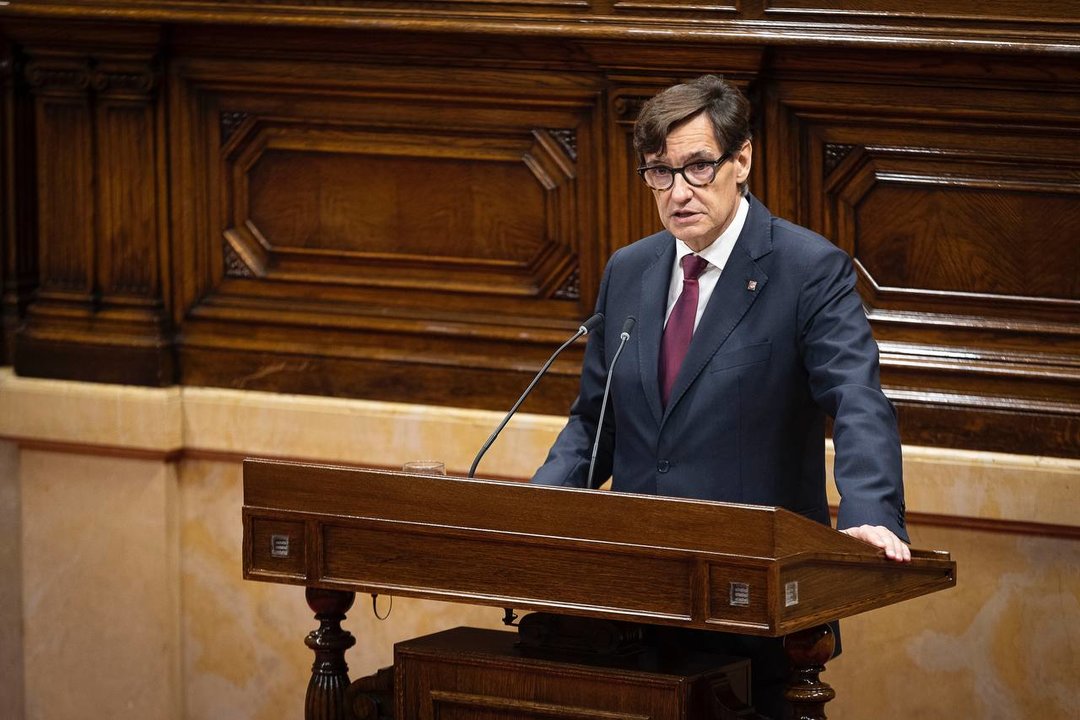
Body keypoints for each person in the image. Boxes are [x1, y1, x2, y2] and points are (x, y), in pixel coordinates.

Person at [531, 75, 910, 718]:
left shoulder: (806, 268)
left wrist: (869, 510)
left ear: (742, 160)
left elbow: (855, 396)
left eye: (698, 167)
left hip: (753, 606)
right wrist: (533, 513)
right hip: (634, 603)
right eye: (659, 172)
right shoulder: (628, 270)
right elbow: (595, 425)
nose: (678, 192)